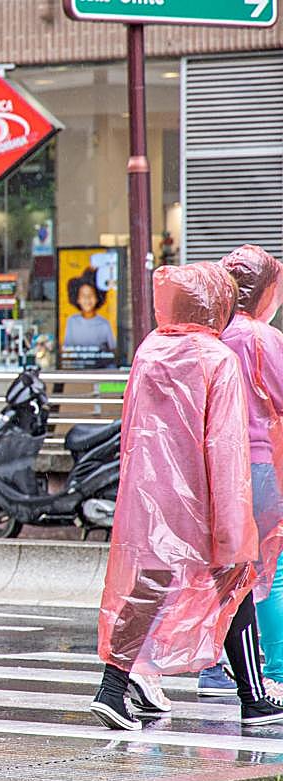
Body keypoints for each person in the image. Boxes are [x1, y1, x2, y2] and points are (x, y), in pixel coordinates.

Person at [91, 262, 283, 730]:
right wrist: (233, 526)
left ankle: (113, 687)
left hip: (150, 496)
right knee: (233, 583)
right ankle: (254, 696)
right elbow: (225, 446)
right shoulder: (217, 358)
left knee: (148, 586)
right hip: (201, 495)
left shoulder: (149, 350)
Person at [221, 245, 283, 702]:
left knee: (229, 572)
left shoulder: (212, 333)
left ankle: (218, 669)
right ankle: (276, 669)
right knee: (272, 567)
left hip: (222, 467)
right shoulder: (262, 338)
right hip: (263, 463)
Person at [62, 270, 117, 352]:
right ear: (77, 299)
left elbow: (113, 349)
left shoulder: (104, 324)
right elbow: (66, 349)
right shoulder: (72, 321)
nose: (87, 299)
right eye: (83, 295)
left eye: (91, 295)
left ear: (98, 297)